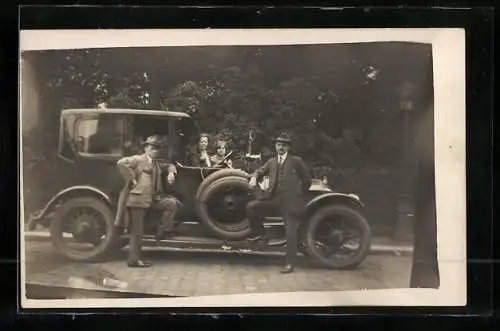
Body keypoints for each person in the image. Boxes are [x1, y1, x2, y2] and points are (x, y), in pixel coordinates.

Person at [246, 132, 312, 274]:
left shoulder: (296, 161)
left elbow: (307, 180)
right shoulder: (272, 161)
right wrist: (254, 177)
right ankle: (261, 234)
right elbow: (260, 171)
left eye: (283, 145)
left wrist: (298, 194)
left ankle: (289, 263)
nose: (280, 148)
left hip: (291, 202)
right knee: (252, 207)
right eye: (278, 145)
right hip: (274, 200)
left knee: (290, 233)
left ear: (288, 148)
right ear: (275, 146)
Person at [116, 135, 182, 268]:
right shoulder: (139, 159)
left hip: (150, 199)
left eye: (156, 149)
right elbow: (121, 163)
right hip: (138, 199)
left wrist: (171, 173)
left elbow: (169, 165)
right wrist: (132, 179)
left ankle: (162, 231)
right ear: (146, 148)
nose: (154, 151)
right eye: (152, 148)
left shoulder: (155, 162)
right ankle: (134, 260)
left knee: (171, 203)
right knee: (137, 231)